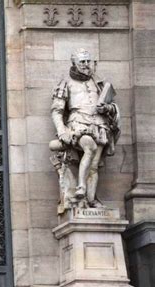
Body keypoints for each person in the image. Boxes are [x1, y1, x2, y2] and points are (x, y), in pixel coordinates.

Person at [50, 48, 120, 208]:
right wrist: (62, 131)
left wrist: (107, 109)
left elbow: (111, 106)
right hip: (78, 124)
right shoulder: (66, 82)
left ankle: (90, 199)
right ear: (74, 63)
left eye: (88, 61)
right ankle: (81, 186)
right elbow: (57, 110)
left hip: (100, 125)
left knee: (94, 166)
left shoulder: (99, 83)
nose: (86, 65)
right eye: (82, 61)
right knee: (90, 147)